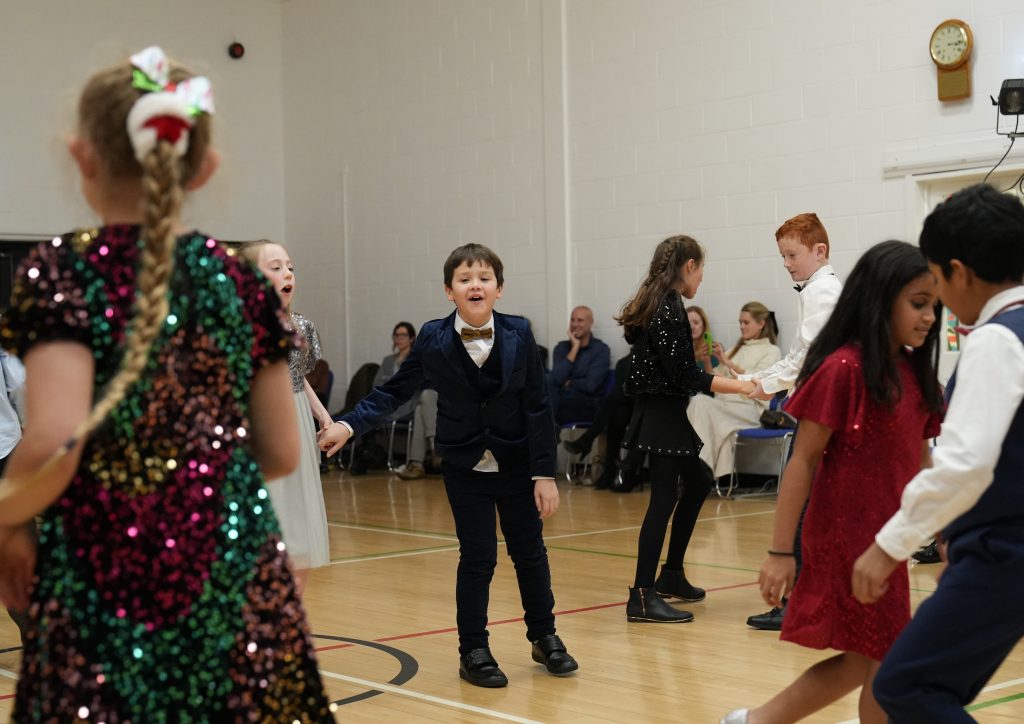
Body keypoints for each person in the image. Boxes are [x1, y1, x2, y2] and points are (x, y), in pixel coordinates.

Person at [0, 47, 332, 720]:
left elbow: (56, 439)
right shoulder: (243, 284)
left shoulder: (60, 272)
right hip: (231, 560)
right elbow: (280, 451)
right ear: (204, 167)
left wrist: (7, 520)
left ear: (80, 156)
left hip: (104, 563)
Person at [318, 243, 579, 688]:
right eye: (464, 279)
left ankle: (544, 636)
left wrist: (544, 473)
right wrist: (349, 424)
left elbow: (539, 407)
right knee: (477, 558)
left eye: (484, 278)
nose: (475, 285)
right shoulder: (433, 339)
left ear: (499, 288)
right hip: (464, 465)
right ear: (449, 290)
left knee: (530, 553)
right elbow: (394, 391)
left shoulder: (519, 334)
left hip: (517, 465)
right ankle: (473, 649)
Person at [722, 240, 944, 724]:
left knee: (867, 660)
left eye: (934, 305)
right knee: (884, 658)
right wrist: (781, 552)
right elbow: (801, 462)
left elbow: (925, 465)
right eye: (918, 303)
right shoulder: (843, 368)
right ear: (881, 300)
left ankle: (754, 722)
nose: (929, 317)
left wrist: (945, 532)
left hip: (889, 540)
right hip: (845, 539)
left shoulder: (915, 374)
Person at [851, 184, 1024, 723]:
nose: (939, 303)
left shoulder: (997, 339)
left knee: (907, 684)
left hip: (1006, 549)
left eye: (937, 282)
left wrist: (890, 545)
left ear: (959, 272)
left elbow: (965, 464)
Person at [616, 235, 755, 623]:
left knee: (699, 481)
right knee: (663, 500)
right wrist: (741, 386)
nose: (702, 278)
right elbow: (685, 375)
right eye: (702, 269)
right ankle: (642, 595)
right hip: (661, 413)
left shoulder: (662, 301)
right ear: (689, 266)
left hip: (663, 410)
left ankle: (672, 575)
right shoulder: (669, 305)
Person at [742, 212, 843, 632]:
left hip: (822, 412)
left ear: (820, 251)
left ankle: (797, 602)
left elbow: (810, 358)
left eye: (792, 255)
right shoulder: (817, 290)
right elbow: (800, 353)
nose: (786, 263)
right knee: (813, 507)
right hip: (823, 408)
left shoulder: (822, 292)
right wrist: (763, 379)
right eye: (782, 255)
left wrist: (766, 384)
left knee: (801, 504)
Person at [238, 240, 332, 579]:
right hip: (257, 421)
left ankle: (292, 604)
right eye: (275, 268)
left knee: (298, 521)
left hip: (296, 421)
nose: (287, 274)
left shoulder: (300, 327)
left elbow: (297, 376)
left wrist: (322, 415)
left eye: (290, 267)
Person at [687, 302, 782, 480]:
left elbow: (759, 381)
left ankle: (697, 470)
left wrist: (727, 362)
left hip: (750, 408)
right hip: (725, 405)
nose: (741, 326)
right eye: (740, 322)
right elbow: (714, 381)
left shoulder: (772, 351)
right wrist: (707, 361)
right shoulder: (734, 350)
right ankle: (699, 469)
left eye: (746, 322)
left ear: (761, 324)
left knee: (701, 404)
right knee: (699, 400)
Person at [561, 351, 634, 490]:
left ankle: (587, 440)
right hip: (628, 408)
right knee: (619, 414)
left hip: (647, 407)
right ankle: (611, 473)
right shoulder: (624, 363)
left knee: (615, 397)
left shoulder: (653, 359)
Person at [548, 305, 611, 424]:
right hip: (562, 398)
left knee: (550, 400)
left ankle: (549, 428)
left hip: (588, 403)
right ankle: (551, 428)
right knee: (545, 385)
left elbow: (591, 386)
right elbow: (556, 379)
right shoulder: (561, 348)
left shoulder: (601, 350)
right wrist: (575, 348)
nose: (575, 324)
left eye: (580, 320)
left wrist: (569, 382)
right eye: (572, 320)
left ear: (591, 323)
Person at [687, 305, 719, 373]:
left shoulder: (713, 350)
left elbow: (715, 377)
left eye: (696, 323)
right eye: (688, 323)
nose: (692, 327)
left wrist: (707, 362)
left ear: (704, 325)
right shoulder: (679, 349)